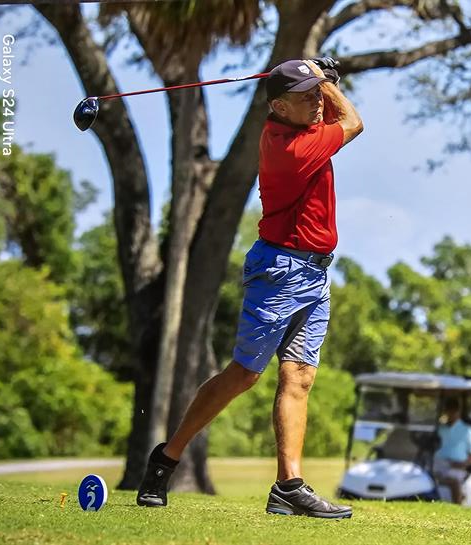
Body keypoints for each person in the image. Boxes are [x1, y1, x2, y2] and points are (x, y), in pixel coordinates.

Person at [135, 58, 363, 520]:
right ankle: (166, 459)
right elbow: (354, 122)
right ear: (279, 106)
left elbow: (335, 116)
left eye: (317, 94)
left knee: (299, 376)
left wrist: (317, 79)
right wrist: (328, 80)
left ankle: (288, 487)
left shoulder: (299, 126)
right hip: (281, 272)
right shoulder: (292, 148)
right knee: (244, 375)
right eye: (305, 96)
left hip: (315, 274)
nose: (317, 102)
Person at [433, 397, 471, 504]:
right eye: (449, 410)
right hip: (438, 463)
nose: (451, 413)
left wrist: (463, 464)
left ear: (458, 411)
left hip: (457, 466)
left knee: (454, 482)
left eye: (453, 410)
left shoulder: (468, 430)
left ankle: (458, 505)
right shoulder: (440, 429)